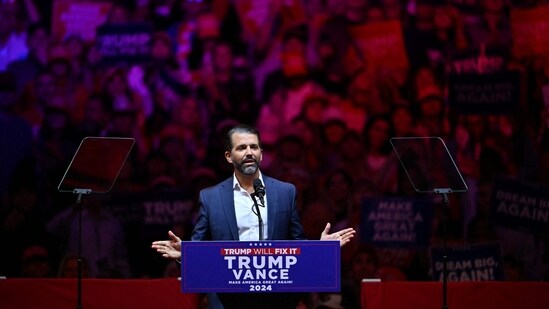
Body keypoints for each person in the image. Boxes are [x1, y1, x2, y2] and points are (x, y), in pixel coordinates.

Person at [152, 124, 356, 309]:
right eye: (241, 148)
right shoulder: (211, 197)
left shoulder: (285, 192)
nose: (249, 152)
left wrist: (320, 250)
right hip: (228, 299)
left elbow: (296, 244)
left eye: (254, 147)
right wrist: (184, 255)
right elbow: (200, 247)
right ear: (228, 156)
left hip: (276, 298)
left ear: (261, 154)